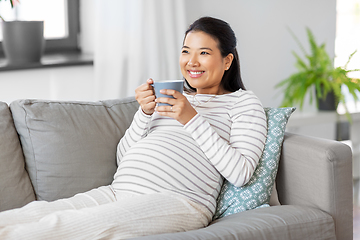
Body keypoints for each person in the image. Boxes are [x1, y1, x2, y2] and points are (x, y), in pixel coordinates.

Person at [0, 16, 267, 239]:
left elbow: (241, 172)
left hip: (179, 201)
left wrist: (191, 118)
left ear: (227, 61)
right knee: (31, 214)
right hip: (119, 191)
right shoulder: (174, 97)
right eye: (186, 51)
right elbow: (124, 157)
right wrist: (144, 113)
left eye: (204, 53)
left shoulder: (242, 103)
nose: (191, 62)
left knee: (57, 228)